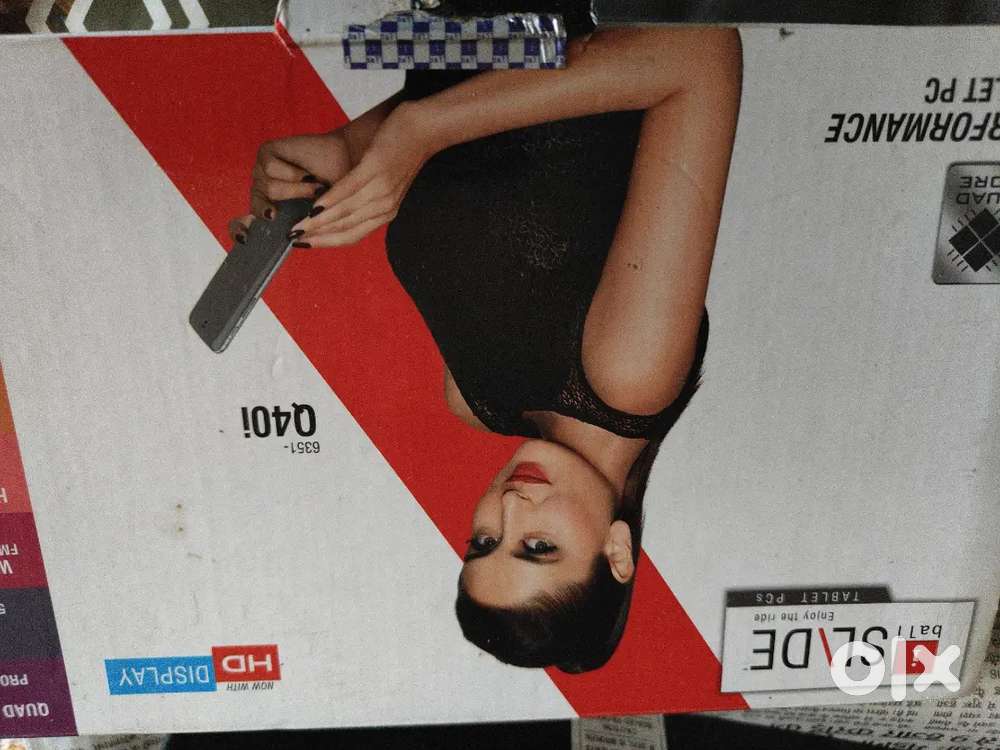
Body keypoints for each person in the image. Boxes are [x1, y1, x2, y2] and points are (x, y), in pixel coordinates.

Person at [230, 5, 742, 673]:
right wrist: (421, 131)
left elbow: (490, 96)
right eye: (538, 548)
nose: (509, 508)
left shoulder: (474, 398)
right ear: (617, 551)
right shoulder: (630, 370)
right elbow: (699, 53)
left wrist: (351, 152)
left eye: (483, 541)